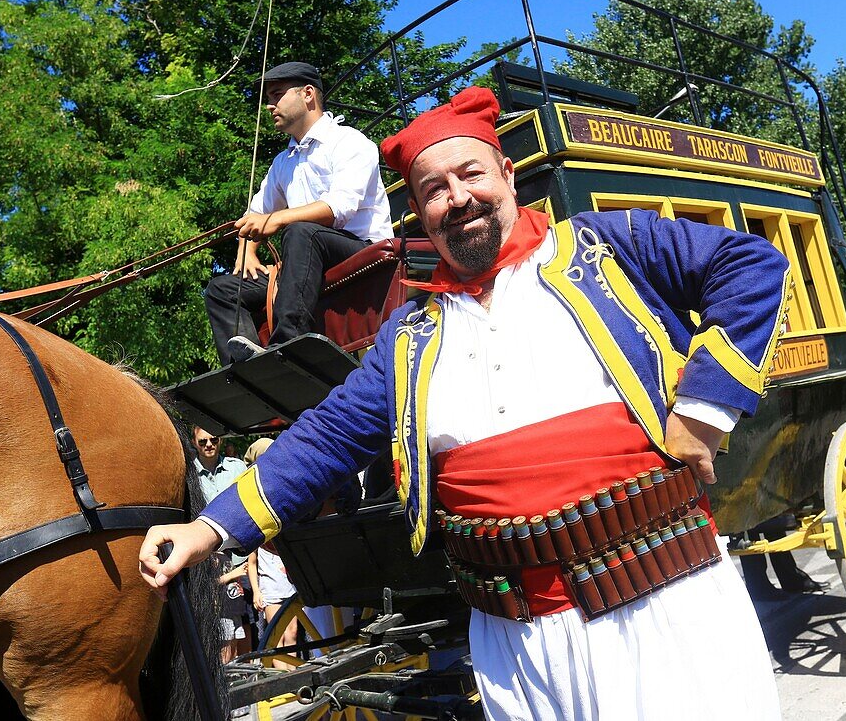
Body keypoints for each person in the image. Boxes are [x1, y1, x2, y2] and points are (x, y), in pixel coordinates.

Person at [142, 86, 787, 719]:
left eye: (470, 174)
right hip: (513, 641)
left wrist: (705, 409)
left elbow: (750, 263)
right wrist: (206, 529)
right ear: (420, 215)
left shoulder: (602, 245)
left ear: (506, 174)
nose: (458, 199)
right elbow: (326, 438)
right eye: (434, 191)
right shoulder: (412, 334)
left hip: (659, 602)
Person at [204, 61, 393, 365]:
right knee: (223, 289)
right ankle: (245, 371)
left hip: (361, 255)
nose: (269, 106)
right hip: (306, 261)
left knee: (301, 231)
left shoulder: (350, 142)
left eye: (276, 95)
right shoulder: (283, 162)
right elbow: (256, 211)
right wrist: (245, 252)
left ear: (308, 95)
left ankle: (287, 347)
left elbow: (338, 208)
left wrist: (276, 219)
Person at [192, 426, 254, 660]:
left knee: (246, 619)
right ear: (194, 443)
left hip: (243, 552)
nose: (208, 445)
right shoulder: (190, 474)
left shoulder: (236, 467)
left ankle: (248, 673)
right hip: (213, 558)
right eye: (202, 441)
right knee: (222, 624)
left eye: (213, 440)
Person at [242, 438, 300, 670]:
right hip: (270, 583)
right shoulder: (253, 501)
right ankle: (283, 680)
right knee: (276, 636)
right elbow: (252, 559)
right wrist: (256, 591)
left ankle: (294, 674)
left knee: (293, 631)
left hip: (288, 579)